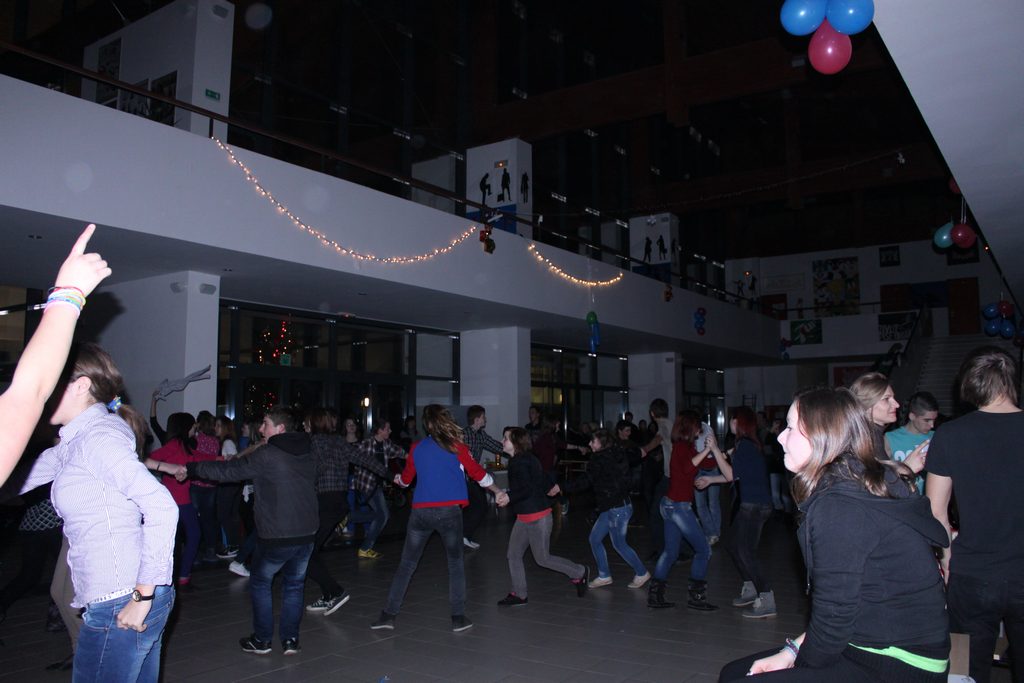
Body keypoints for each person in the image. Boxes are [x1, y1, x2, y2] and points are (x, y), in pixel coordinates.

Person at [719, 386, 949, 682]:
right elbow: (842, 605)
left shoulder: (839, 506)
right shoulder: (859, 479)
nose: (780, 437)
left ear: (823, 435)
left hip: (900, 661)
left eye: (791, 428)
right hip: (877, 641)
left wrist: (799, 664)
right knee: (733, 672)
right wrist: (791, 651)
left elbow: (834, 619)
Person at [19, 343, 178, 681]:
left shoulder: (98, 437)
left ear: (80, 386)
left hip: (121, 599)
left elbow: (161, 504)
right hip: (119, 595)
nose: (41, 393)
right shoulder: (76, 441)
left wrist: (142, 596)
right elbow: (15, 478)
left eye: (49, 383)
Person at [185, 406, 317, 656]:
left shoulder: (268, 454)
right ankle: (290, 640)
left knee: (260, 581)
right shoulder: (308, 451)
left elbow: (230, 472)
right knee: (294, 586)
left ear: (280, 428)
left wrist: (193, 469)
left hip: (278, 534)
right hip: (306, 532)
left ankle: (262, 639)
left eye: (265, 424)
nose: (261, 428)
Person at [927, 347, 1024, 683]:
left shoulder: (950, 434)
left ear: (969, 385)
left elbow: (935, 511)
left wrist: (947, 561)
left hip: (973, 574)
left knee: (967, 672)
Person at [371, 404, 508, 632]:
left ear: (427, 425)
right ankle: (458, 618)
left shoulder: (417, 448)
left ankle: (388, 615)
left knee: (407, 564)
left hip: (421, 513)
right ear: (446, 420)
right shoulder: (457, 447)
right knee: (455, 563)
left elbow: (406, 481)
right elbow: (477, 473)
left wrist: (398, 480)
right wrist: (498, 491)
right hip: (449, 513)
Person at [0, 224, 110, 487]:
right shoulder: (72, 438)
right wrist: (68, 294)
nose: (53, 392)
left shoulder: (105, 433)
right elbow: (30, 391)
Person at [304, 407, 387, 615]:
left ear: (315, 423)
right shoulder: (340, 442)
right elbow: (365, 460)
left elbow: (313, 472)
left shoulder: (314, 443)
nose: (305, 426)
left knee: (304, 553)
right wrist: (390, 475)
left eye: (308, 422)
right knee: (309, 550)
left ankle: (335, 592)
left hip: (325, 502)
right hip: (339, 503)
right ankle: (328, 594)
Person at [697, 406, 775, 618]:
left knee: (746, 551)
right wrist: (711, 479)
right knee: (733, 546)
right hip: (753, 504)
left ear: (740, 423)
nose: (731, 422)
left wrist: (715, 450)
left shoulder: (745, 446)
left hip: (755, 506)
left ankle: (766, 597)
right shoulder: (745, 445)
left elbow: (731, 475)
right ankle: (751, 588)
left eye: (733, 419)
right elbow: (736, 475)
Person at [497, 427, 587, 607]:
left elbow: (528, 487)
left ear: (516, 442)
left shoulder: (520, 461)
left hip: (537, 518)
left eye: (505, 438)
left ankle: (579, 572)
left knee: (542, 559)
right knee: (513, 554)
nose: (502, 442)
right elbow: (541, 477)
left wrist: (509, 497)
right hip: (524, 517)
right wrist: (550, 487)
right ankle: (520, 594)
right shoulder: (527, 458)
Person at [555, 428, 649, 590]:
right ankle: (604, 575)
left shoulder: (599, 460)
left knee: (619, 544)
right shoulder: (618, 453)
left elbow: (585, 481)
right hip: (613, 506)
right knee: (595, 539)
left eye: (593, 441)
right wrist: (641, 452)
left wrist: (561, 487)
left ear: (602, 443)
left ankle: (642, 572)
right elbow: (636, 454)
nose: (590, 443)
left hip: (617, 509)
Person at [648, 411, 717, 611]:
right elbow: (688, 468)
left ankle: (655, 596)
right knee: (703, 550)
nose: (700, 431)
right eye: (698, 427)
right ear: (690, 428)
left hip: (671, 505)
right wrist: (707, 449)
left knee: (670, 552)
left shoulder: (688, 447)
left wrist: (721, 453)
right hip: (678, 507)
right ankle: (696, 597)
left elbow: (707, 463)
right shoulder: (680, 447)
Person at [143, 412, 202, 589]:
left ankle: (181, 576)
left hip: (183, 501)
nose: (195, 428)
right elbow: (146, 459)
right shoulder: (174, 445)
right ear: (185, 427)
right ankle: (174, 577)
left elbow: (198, 457)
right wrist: (165, 468)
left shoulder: (184, 446)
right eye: (193, 425)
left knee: (191, 536)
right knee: (179, 540)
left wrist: (222, 459)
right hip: (173, 502)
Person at [850, 372, 927, 475]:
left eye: (893, 398)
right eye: (886, 399)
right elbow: (875, 483)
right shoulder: (863, 443)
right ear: (866, 405)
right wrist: (907, 468)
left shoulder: (872, 437)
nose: (897, 404)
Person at [351, 419, 404, 558]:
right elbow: (354, 458)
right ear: (380, 430)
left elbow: (400, 452)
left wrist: (413, 456)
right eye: (387, 429)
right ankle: (364, 547)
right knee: (383, 515)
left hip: (377, 486)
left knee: (381, 515)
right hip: (367, 485)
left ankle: (349, 518)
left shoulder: (387, 444)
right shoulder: (366, 444)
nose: (390, 431)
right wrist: (355, 483)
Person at [461, 405, 503, 549]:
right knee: (478, 506)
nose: (486, 419)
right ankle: (463, 536)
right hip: (464, 478)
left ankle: (464, 536)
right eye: (483, 417)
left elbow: (496, 446)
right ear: (477, 419)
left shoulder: (481, 435)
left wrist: (512, 448)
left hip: (474, 477)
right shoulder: (464, 434)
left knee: (478, 507)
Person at [885, 391, 937, 495]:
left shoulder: (936, 436)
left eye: (934, 420)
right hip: (902, 496)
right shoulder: (890, 438)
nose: (932, 425)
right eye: (927, 420)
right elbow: (882, 475)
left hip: (928, 498)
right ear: (912, 416)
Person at [640, 398, 674, 558]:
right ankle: (680, 549)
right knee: (672, 513)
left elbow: (658, 439)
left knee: (656, 513)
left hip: (670, 476)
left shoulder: (664, 425)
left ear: (652, 413)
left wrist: (643, 450)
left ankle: (661, 550)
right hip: (673, 475)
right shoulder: (669, 423)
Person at [213, 416, 242, 558]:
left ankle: (233, 546)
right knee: (228, 515)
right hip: (230, 482)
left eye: (218, 425)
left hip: (229, 483)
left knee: (224, 515)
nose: (215, 428)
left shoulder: (227, 442)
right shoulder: (226, 442)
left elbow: (234, 462)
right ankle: (233, 545)